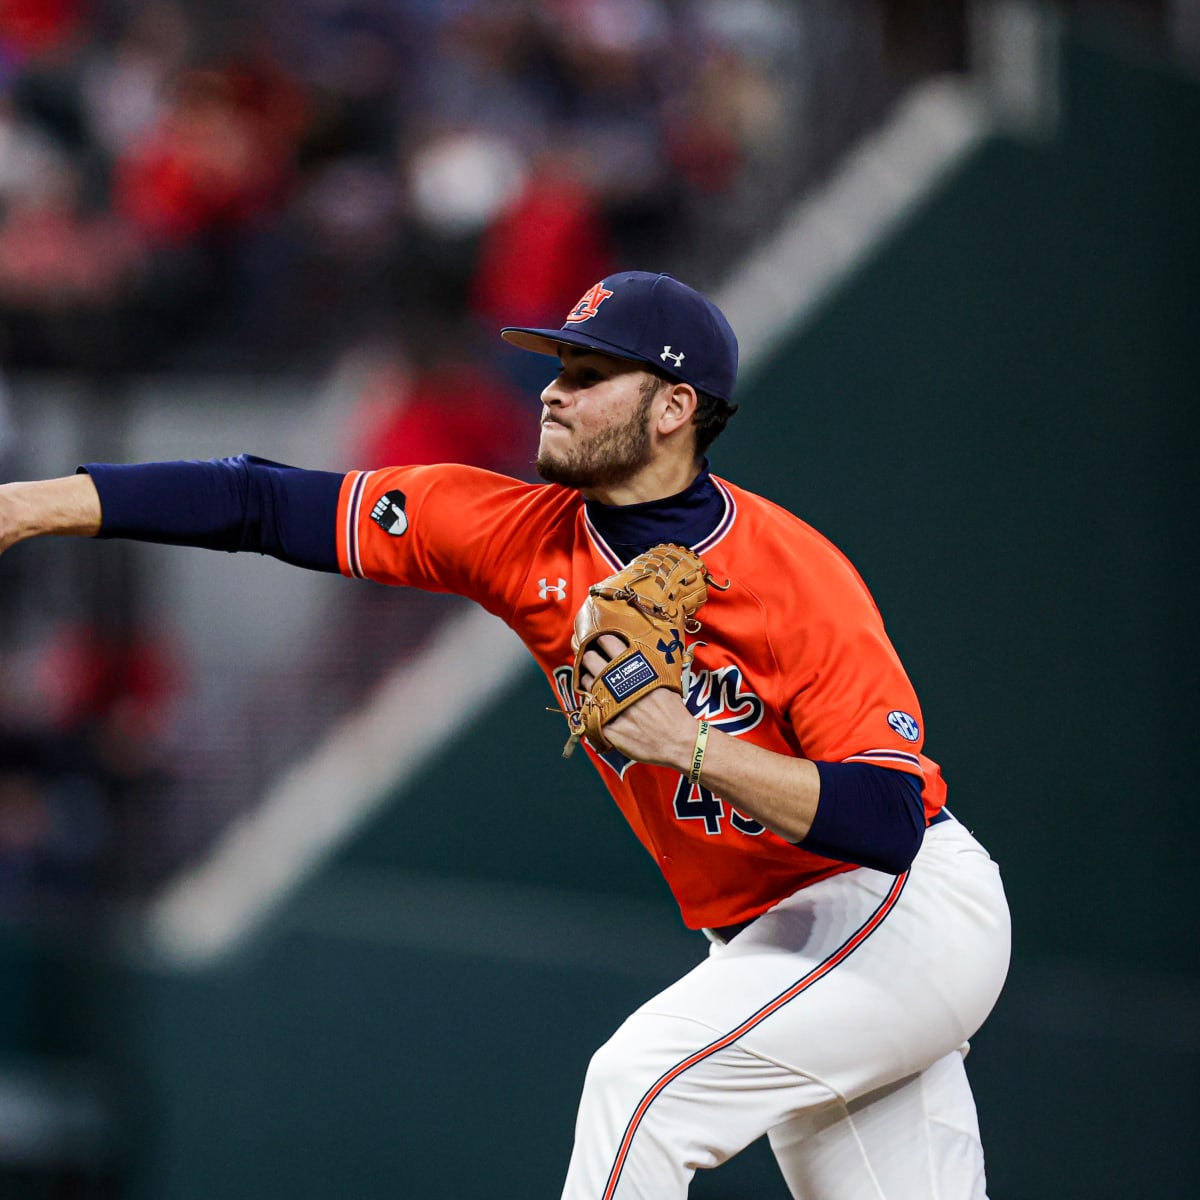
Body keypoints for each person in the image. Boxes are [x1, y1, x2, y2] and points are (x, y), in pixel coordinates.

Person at [0, 271, 1011, 1198]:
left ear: (675, 408)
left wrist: (690, 745)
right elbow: (259, 501)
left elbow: (887, 820)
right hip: (776, 943)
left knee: (640, 1087)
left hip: (902, 910)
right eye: (555, 367)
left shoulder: (795, 572)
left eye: (589, 372)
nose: (551, 390)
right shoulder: (511, 535)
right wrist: (32, 504)